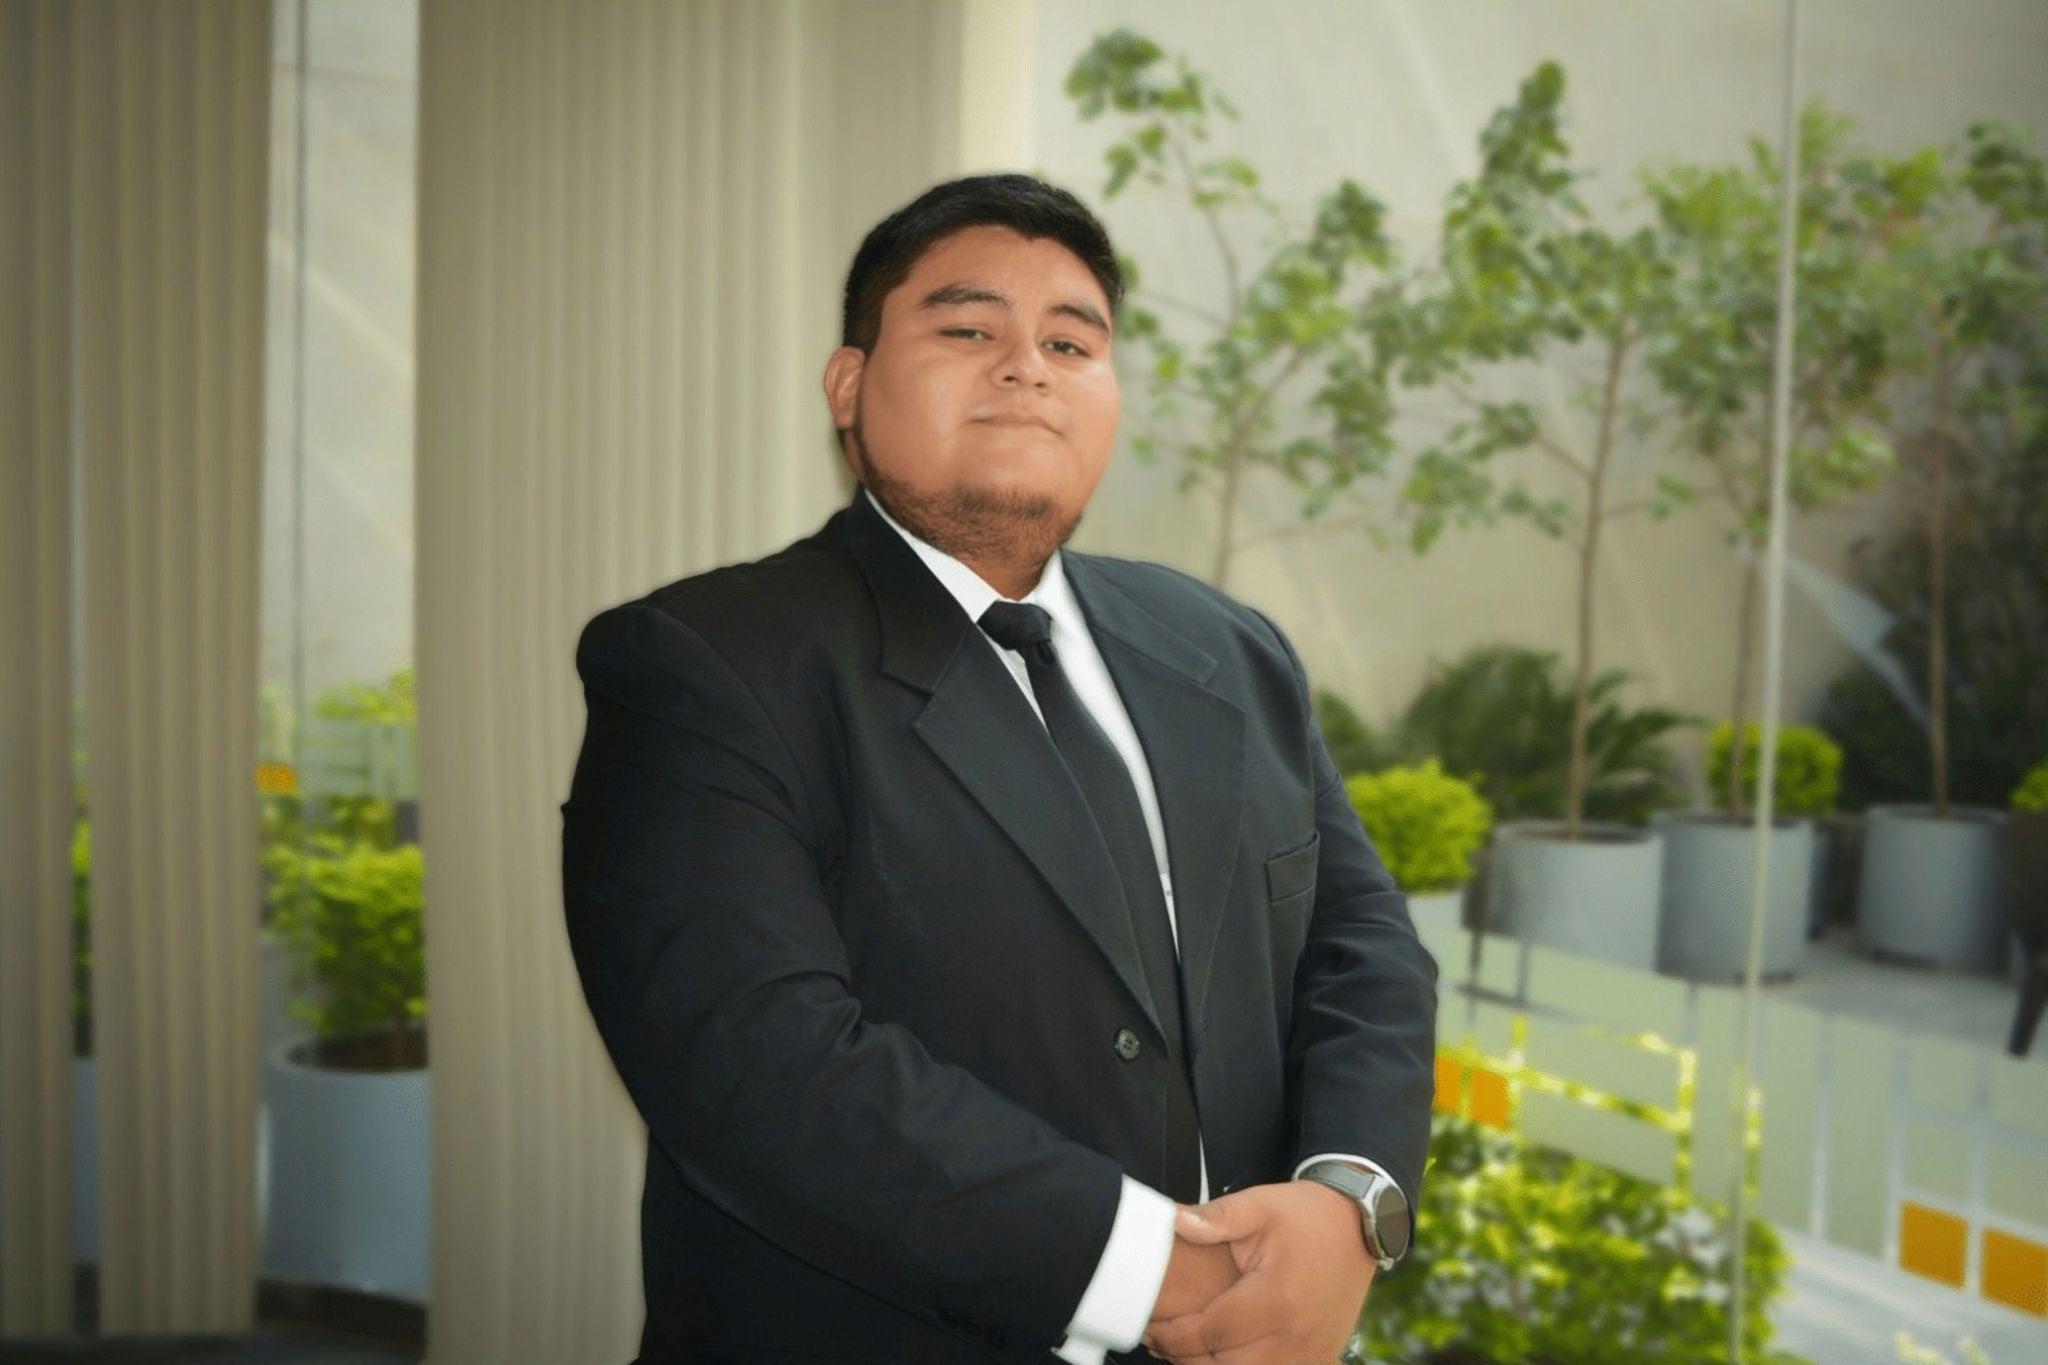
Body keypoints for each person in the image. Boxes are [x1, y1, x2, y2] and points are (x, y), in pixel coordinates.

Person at [561, 172, 1437, 1365]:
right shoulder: (701, 666)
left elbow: (1362, 944)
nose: (1028, 366)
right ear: (848, 386)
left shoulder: (1230, 650)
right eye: (969, 330)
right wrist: (1175, 1279)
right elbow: (758, 1061)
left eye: (1071, 343)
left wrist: (1348, 1199)